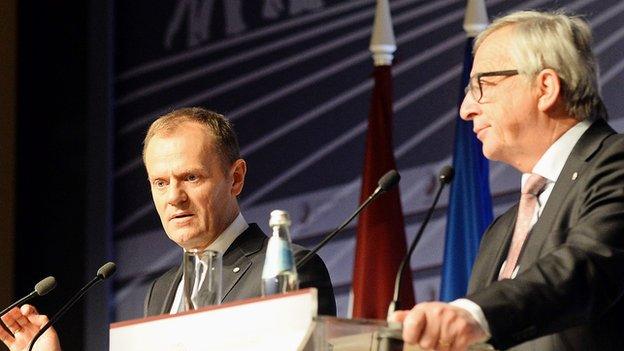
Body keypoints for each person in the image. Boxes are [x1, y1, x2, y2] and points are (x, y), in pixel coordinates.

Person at [0, 107, 336, 351]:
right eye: (160, 182)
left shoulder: (290, 270)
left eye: (191, 178)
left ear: (235, 178)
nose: (174, 197)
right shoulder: (161, 290)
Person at [391, 10, 624, 351]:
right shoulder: (501, 231)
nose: (466, 109)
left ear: (545, 87)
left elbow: (589, 266)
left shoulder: (615, 163)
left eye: (480, 85)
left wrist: (474, 315)